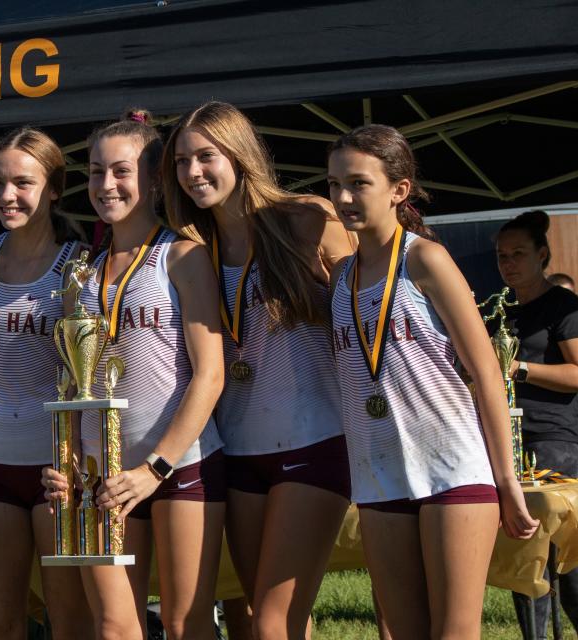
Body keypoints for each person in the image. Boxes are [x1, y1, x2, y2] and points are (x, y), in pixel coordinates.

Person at [327, 124, 538, 639]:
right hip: (380, 478)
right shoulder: (340, 278)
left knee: (454, 632)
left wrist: (506, 480)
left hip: (452, 471)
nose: (344, 197)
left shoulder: (426, 259)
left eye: (359, 183)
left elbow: (486, 371)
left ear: (399, 190)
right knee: (400, 631)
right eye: (334, 184)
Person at [162, 100, 354, 639]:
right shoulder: (191, 248)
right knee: (254, 618)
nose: (193, 172)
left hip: (313, 442)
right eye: (181, 161)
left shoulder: (307, 218)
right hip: (239, 452)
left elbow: (368, 318)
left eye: (206, 156)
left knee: (273, 623)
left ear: (240, 154)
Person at [44, 110, 226, 639]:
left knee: (184, 622)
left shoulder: (184, 257)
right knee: (113, 627)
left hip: (179, 466)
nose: (106, 185)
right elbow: (73, 385)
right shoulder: (80, 273)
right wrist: (68, 462)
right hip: (101, 473)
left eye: (121, 171)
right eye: (96, 171)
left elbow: (209, 376)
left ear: (153, 180)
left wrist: (155, 469)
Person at [0, 127, 91, 640]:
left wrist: (81, 455)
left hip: (54, 467)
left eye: (22, 183)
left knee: (70, 625)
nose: (6, 196)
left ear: (54, 188)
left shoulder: (78, 264)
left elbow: (88, 372)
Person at [494, 210, 578, 637]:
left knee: (569, 567)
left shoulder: (564, 306)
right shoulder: (499, 310)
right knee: (525, 559)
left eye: (519, 254)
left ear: (542, 255)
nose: (508, 263)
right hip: (509, 445)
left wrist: (517, 368)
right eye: (501, 255)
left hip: (557, 444)